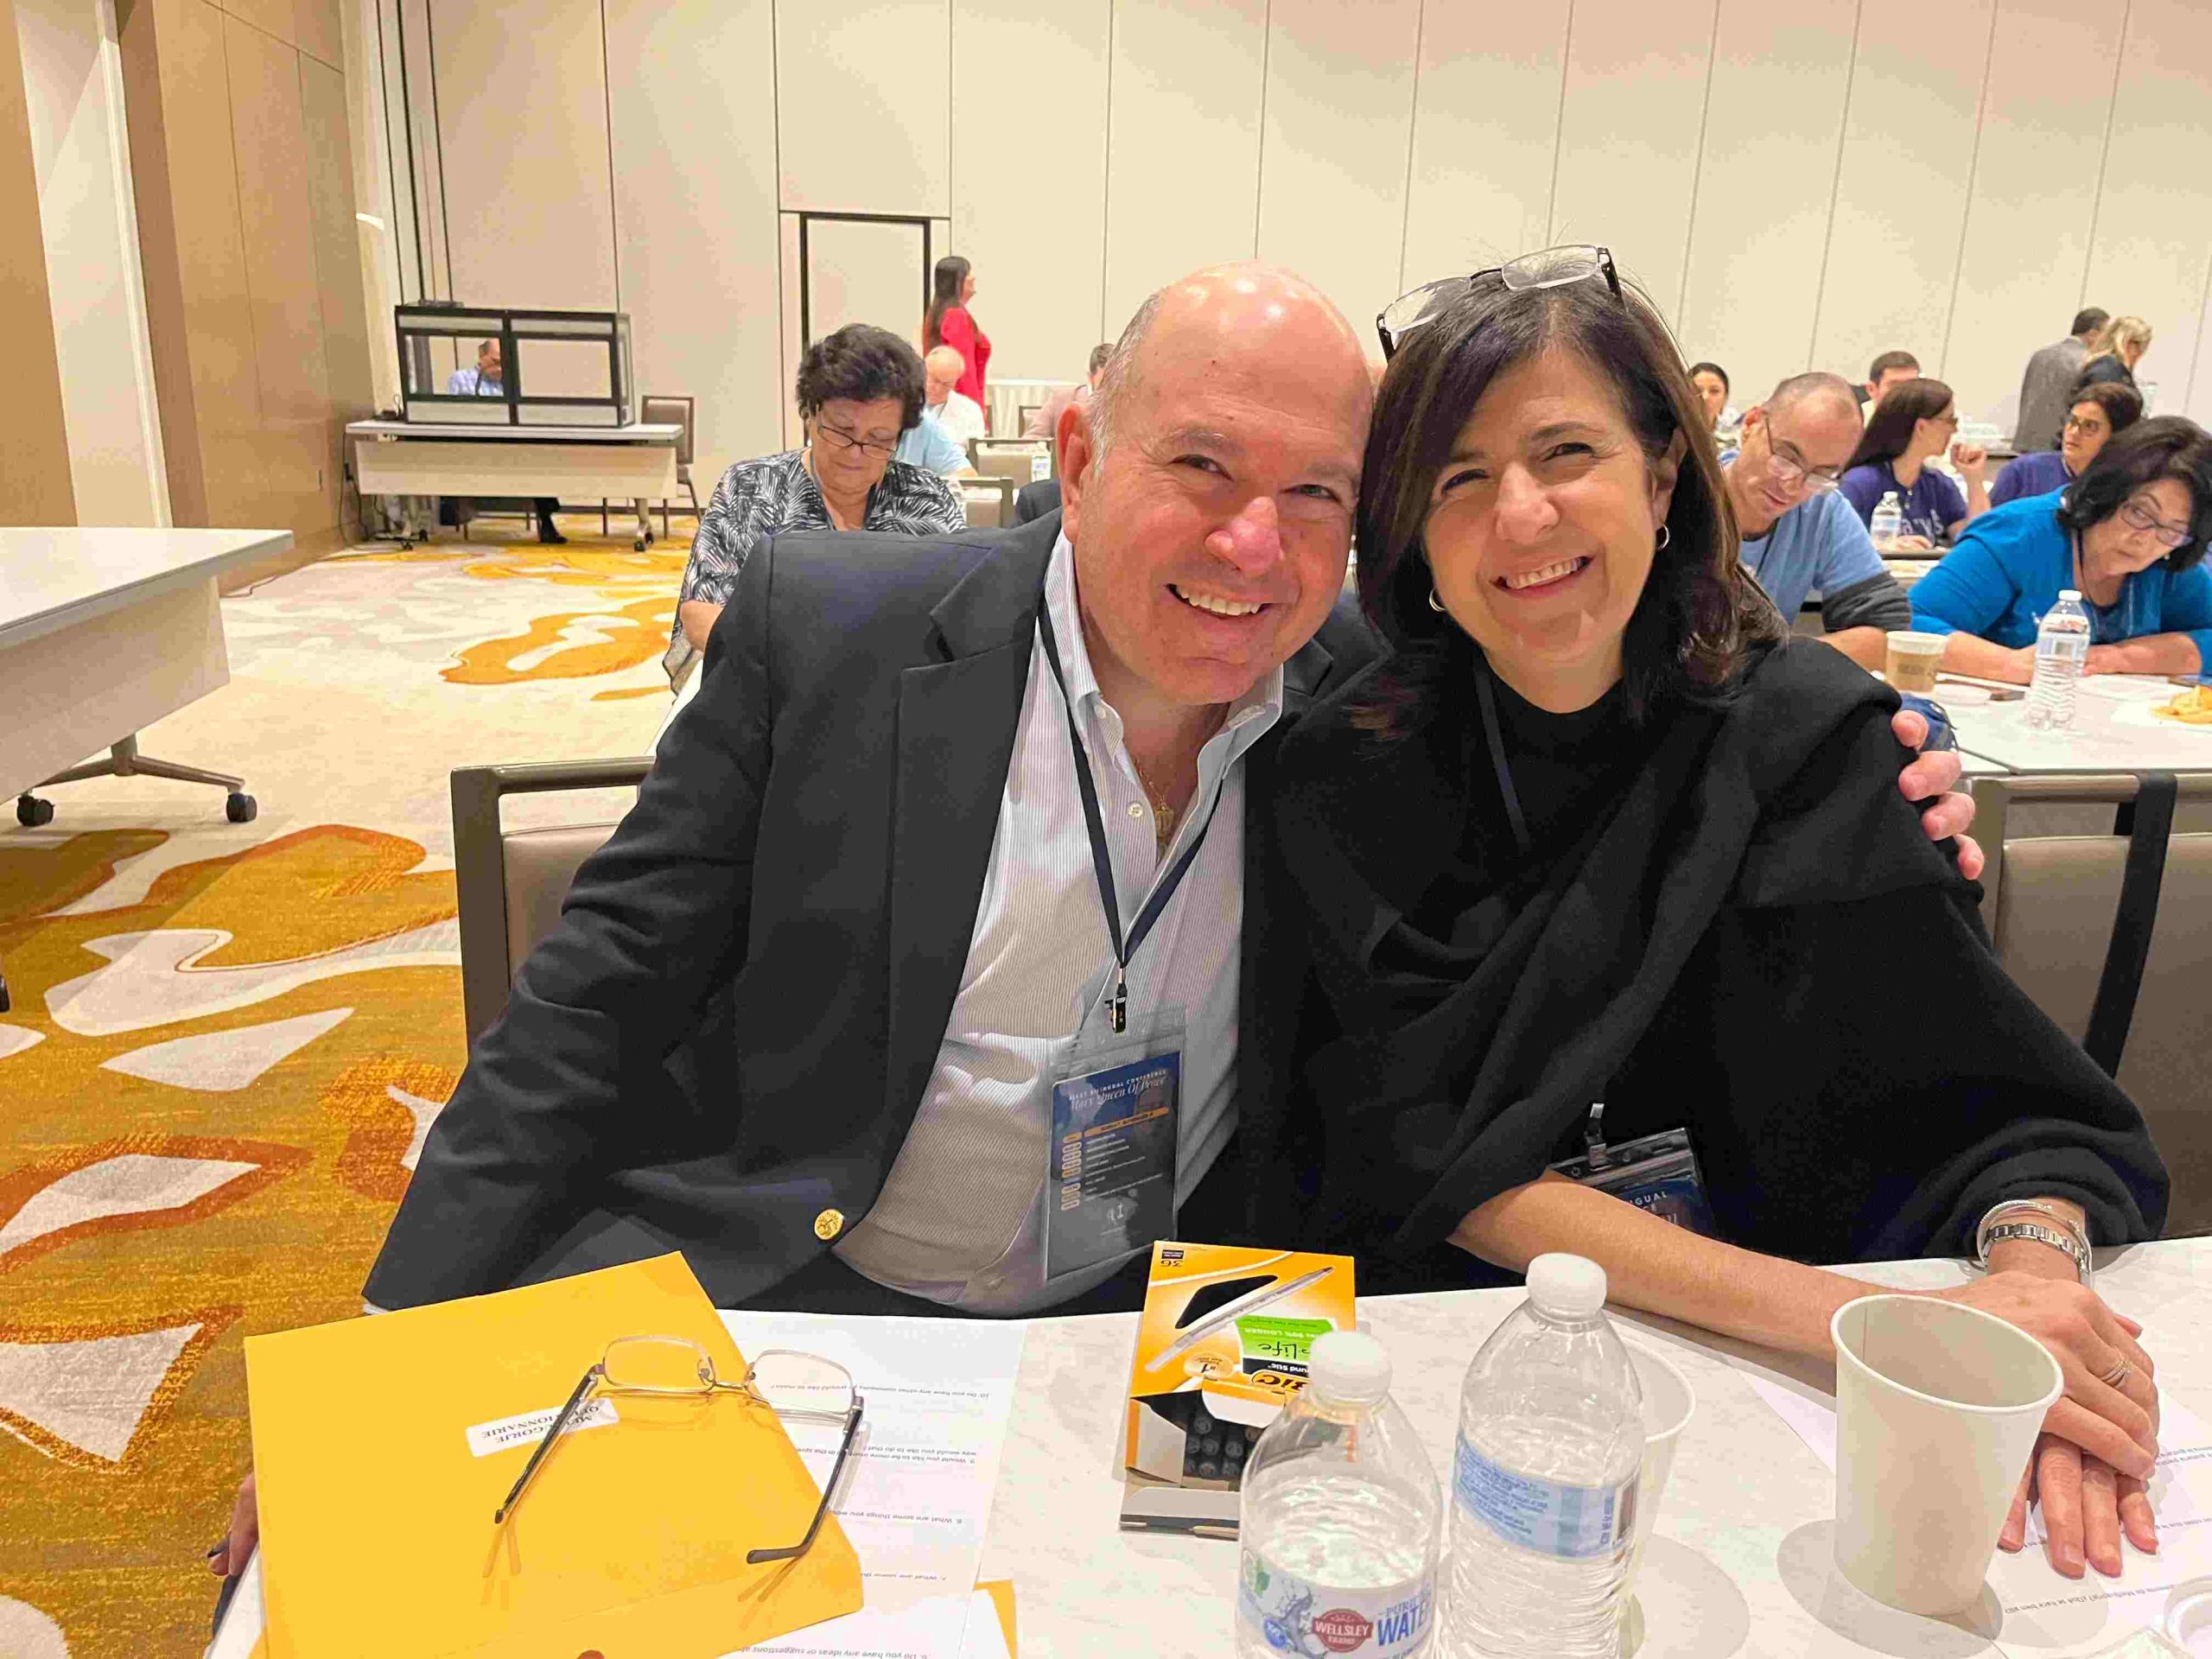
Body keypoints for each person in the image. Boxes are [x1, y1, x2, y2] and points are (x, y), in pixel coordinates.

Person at [210, 262, 1981, 1588]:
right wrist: (383, 1350)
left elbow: (1624, 709)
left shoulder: (1370, 700)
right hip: (805, 1291)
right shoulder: (836, 632)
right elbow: (588, 1005)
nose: (1253, 545)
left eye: (1315, 495)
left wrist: (1877, 756)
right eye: (1198, 465)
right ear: (1074, 452)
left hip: (1178, 1322)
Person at [1260, 249, 2167, 1586]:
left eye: (1565, 452)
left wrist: (2029, 1288)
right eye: (1457, 478)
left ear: (1662, 475)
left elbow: (2006, 1107)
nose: (1520, 515)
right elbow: (1428, 1159)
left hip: (1785, 1447)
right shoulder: (1347, 772)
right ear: (1410, 536)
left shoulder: (1810, 739)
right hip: (1466, 1415)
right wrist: (1878, 1333)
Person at [661, 324, 963, 691]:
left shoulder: (925, 498)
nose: (855, 453)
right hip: (771, 686)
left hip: (893, 692)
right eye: (841, 431)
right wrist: (802, 665)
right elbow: (699, 613)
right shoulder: (752, 488)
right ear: (810, 414)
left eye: (879, 439)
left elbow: (961, 614)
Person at [1910, 415, 2212, 682]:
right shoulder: (2018, 536)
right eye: (2140, 513)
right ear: (2106, 490)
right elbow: (1909, 624)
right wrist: (2007, 664)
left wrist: (2118, 658)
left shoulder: (2170, 559)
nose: (2145, 540)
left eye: (2174, 530)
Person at [1714, 372, 1910, 670]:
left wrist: (1771, 663)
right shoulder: (1681, 495)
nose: (1792, 485)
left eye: (1820, 475)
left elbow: (1886, 631)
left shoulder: (1822, 510)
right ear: (1751, 424)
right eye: (1786, 457)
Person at [1840, 378, 1989, 548]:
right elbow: (1837, 546)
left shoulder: (1938, 485)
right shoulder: (1859, 484)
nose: (1954, 429)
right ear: (1921, 427)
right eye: (1950, 420)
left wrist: (1974, 479)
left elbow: (1979, 542)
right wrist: (1884, 547)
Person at [444, 339, 565, 544]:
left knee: (535, 462)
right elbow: (450, 415)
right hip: (472, 447)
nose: (500, 368)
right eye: (495, 361)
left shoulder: (509, 383)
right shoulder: (461, 379)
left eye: (504, 363)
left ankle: (547, 522)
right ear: (481, 356)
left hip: (506, 447)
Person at [1990, 382, 2143, 508]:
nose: (2074, 432)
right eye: (2072, 421)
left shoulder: (2130, 486)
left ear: (2117, 436)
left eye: (2090, 426)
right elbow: (1986, 528)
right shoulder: (2023, 472)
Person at [2016, 308, 2108, 452]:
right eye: (2106, 337)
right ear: (2093, 335)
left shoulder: (2040, 355)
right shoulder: (2088, 362)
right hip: (2058, 447)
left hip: (2025, 442)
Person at [891, 347, 979, 477]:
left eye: (946, 384)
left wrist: (938, 485)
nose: (937, 388)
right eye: (934, 380)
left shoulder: (922, 421)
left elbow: (966, 472)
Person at [924, 254, 990, 417]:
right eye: (968, 272)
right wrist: (974, 414)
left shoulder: (938, 314)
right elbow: (964, 374)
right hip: (959, 409)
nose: (973, 277)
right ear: (956, 281)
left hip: (944, 406)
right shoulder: (956, 316)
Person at [1023, 343, 1113, 439]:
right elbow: (1031, 440)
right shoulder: (1060, 401)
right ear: (1090, 378)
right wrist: (1044, 447)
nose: (1113, 389)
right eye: (1104, 383)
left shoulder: (1124, 407)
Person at [2074, 315, 2152, 400]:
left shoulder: (2104, 367)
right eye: (2142, 347)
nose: (2140, 354)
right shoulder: (2109, 372)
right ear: (2128, 343)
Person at [1859, 349, 1920, 416]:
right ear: (1871, 389)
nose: (1904, 393)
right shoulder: (1856, 419)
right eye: (1895, 386)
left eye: (1911, 385)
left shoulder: (1926, 417)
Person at [1687, 360, 1737, 439]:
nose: (1705, 397)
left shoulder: (1735, 437)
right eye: (1696, 390)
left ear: (1725, 399)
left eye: (1714, 391)